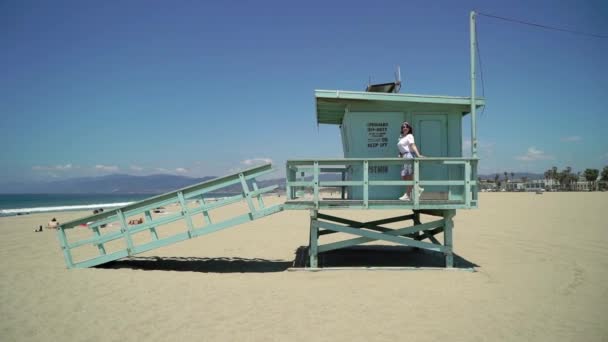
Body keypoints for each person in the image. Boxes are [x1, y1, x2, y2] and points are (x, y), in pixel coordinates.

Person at [397, 121, 424, 201]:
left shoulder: (410, 136)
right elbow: (402, 147)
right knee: (404, 176)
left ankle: (408, 195)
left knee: (408, 176)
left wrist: (418, 155)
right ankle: (417, 188)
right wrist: (400, 154)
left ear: (409, 128)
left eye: (406, 126)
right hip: (404, 156)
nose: (405, 128)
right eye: (403, 127)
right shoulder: (401, 137)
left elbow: (412, 145)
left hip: (408, 155)